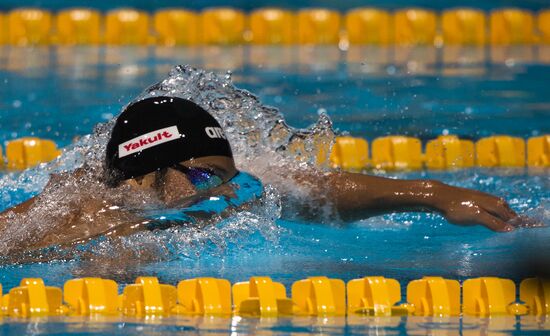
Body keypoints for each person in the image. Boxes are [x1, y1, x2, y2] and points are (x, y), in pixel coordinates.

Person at [0, 96, 520, 253]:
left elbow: (316, 191)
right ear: (142, 175)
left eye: (230, 175)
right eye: (205, 178)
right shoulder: (74, 218)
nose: (227, 193)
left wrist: (434, 194)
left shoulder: (219, 192)